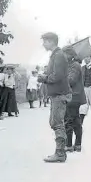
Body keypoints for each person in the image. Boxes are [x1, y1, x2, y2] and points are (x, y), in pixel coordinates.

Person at [37, 32, 71, 163]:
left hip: (59, 94)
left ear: (51, 41)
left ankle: (60, 153)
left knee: (57, 123)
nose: (43, 44)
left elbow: (57, 76)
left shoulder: (58, 55)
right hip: (57, 94)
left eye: (45, 41)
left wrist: (44, 78)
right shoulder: (57, 55)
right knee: (55, 122)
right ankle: (60, 151)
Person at [62, 46, 86, 152]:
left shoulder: (74, 65)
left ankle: (69, 145)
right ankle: (77, 144)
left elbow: (71, 80)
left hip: (73, 97)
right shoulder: (71, 65)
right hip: (74, 96)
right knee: (76, 121)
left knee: (68, 121)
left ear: (69, 55)